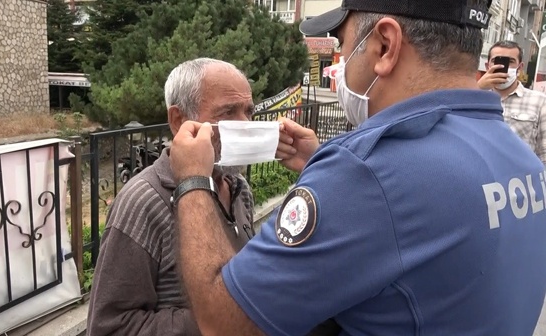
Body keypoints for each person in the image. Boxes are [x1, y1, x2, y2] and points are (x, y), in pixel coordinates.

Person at [167, 0, 546, 335]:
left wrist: (193, 179)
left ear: (385, 45)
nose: (342, 63)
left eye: (344, 46)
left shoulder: (368, 171)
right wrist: (322, 165)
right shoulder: (521, 158)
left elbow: (224, 321)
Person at [85, 58, 257, 336]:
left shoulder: (238, 187)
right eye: (227, 113)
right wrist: (220, 317)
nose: (245, 125)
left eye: (248, 111)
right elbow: (108, 327)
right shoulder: (143, 202)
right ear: (179, 120)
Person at [478, 40, 546, 164]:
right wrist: (477, 90)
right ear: (488, 66)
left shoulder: (540, 102)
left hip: (521, 177)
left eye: (510, 62)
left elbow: (544, 153)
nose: (503, 67)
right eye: (497, 61)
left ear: (520, 67)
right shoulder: (476, 99)